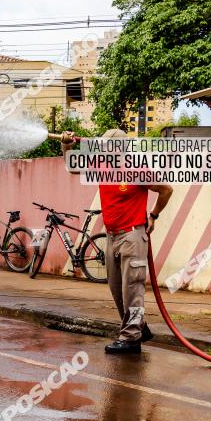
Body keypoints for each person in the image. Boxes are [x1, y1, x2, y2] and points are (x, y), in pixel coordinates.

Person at [61, 129, 173, 354]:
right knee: (116, 289)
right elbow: (73, 167)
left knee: (132, 289)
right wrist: (66, 146)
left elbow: (166, 189)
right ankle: (138, 326)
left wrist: (153, 216)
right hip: (111, 236)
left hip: (132, 236)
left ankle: (131, 338)